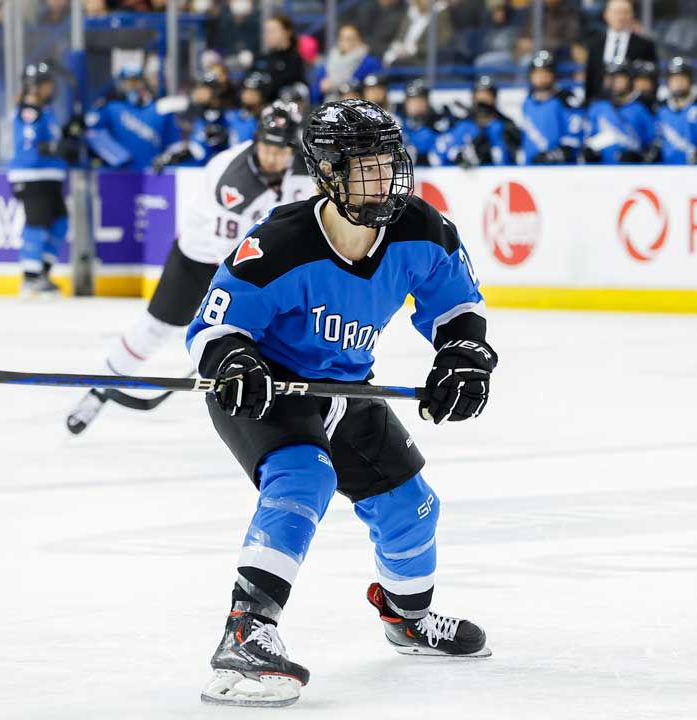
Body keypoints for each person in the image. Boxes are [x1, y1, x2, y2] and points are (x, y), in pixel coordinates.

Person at [188, 98, 496, 708]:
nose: (384, 178)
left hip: (346, 388)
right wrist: (234, 361)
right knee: (305, 477)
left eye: (390, 162)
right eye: (366, 166)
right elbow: (212, 328)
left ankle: (408, 619)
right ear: (329, 173)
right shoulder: (279, 242)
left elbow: (457, 307)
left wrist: (461, 356)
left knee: (413, 505)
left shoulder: (424, 230)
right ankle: (246, 633)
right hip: (267, 387)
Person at [66, 102, 314, 434]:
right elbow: (231, 259)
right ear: (256, 141)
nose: (273, 156)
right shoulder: (234, 180)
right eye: (267, 146)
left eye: (281, 149)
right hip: (200, 259)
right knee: (155, 329)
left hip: (260, 258)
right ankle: (98, 391)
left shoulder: (304, 167)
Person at [8, 62, 82, 297]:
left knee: (60, 223)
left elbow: (52, 139)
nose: (51, 89)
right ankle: (29, 278)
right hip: (32, 177)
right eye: (47, 84)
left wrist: (68, 132)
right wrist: (55, 147)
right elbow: (30, 145)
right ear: (35, 86)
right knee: (37, 223)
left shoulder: (47, 112)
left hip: (50, 177)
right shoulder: (28, 110)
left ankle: (42, 273)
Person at [85, 67, 180, 171]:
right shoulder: (112, 108)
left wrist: (165, 160)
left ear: (143, 83)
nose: (132, 87)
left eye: (135, 81)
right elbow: (92, 133)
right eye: (127, 82)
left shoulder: (161, 110)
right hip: (120, 174)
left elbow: (174, 145)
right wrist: (115, 156)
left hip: (152, 175)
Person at [431, 75, 521, 167]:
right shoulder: (464, 125)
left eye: (487, 96)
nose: (482, 101)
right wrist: (459, 157)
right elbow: (443, 153)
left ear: (494, 98)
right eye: (479, 96)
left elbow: (516, 157)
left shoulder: (506, 126)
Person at [584, 0, 658, 106]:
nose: (621, 17)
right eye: (616, 12)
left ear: (632, 15)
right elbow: (590, 79)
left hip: (633, 107)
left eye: (625, 12)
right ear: (606, 15)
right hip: (601, 106)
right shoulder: (595, 45)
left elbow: (652, 79)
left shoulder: (645, 45)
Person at [582, 60, 657, 164]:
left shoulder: (640, 108)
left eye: (620, 77)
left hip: (633, 172)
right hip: (600, 171)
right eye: (612, 77)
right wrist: (589, 153)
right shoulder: (596, 107)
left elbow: (652, 143)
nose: (615, 82)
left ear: (629, 80)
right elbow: (586, 140)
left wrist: (639, 157)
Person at [521, 50, 584, 164]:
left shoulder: (566, 100)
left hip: (559, 169)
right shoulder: (527, 102)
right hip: (530, 169)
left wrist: (554, 155)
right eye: (537, 73)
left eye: (545, 73)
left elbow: (574, 137)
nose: (541, 77)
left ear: (554, 75)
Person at [656, 57, 697, 165]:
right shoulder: (660, 109)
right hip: (665, 172)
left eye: (682, 78)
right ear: (668, 82)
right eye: (674, 79)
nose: (678, 83)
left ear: (690, 81)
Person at [313, 23, 383, 103]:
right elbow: (315, 94)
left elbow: (375, 91)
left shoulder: (370, 63)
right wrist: (321, 88)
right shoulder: (329, 63)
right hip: (330, 106)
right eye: (342, 38)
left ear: (359, 40)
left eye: (349, 39)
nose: (345, 42)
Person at [396, 79, 450, 166]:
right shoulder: (398, 125)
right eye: (412, 101)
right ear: (405, 103)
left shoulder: (439, 126)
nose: (416, 106)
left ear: (427, 103)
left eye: (420, 101)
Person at [250, 14, 306, 98]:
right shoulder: (261, 58)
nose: (267, 35)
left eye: (272, 31)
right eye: (266, 31)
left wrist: (259, 94)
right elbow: (249, 79)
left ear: (287, 32)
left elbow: (283, 84)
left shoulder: (295, 60)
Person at [226, 71, 272, 146]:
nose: (249, 94)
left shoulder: (269, 116)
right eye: (246, 90)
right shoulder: (232, 114)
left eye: (254, 90)